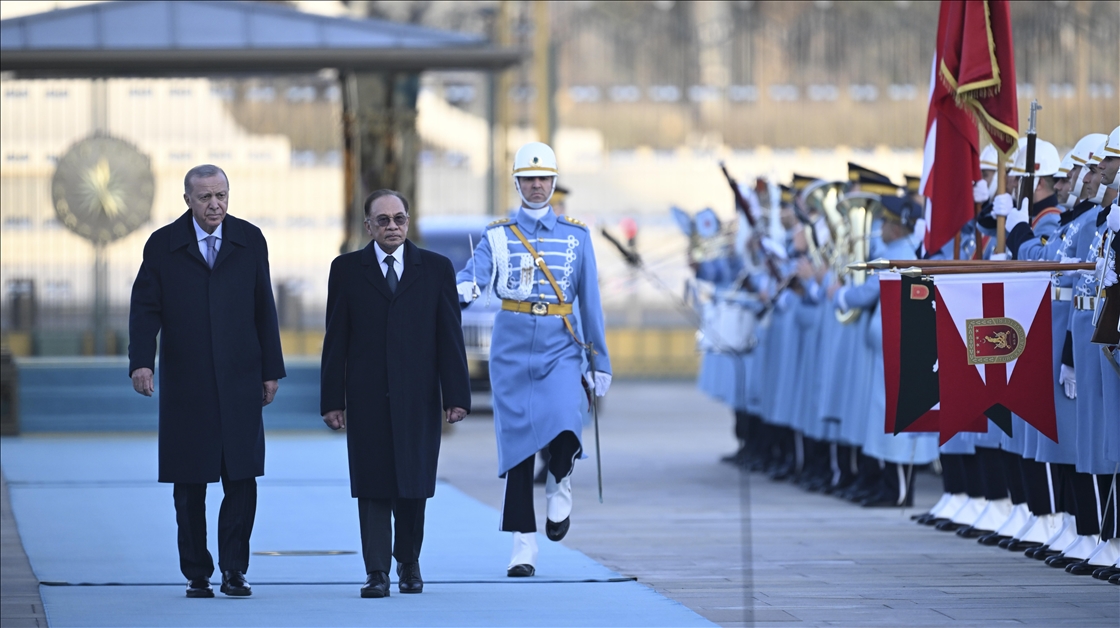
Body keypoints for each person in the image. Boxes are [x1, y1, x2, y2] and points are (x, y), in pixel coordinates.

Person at [128, 164, 285, 599]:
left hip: (240, 378)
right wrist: (142, 362)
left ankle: (235, 570)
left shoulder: (250, 239)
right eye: (205, 197)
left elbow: (263, 308)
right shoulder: (163, 245)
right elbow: (145, 308)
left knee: (242, 477)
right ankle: (197, 571)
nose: (215, 204)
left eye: (221, 195)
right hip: (187, 383)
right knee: (189, 481)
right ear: (187, 201)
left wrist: (270, 369)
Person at [457, 142, 611, 578]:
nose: (537, 185)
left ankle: (560, 478)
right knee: (519, 449)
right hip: (511, 349)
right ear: (518, 182)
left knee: (565, 419)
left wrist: (600, 361)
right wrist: (464, 287)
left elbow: (591, 303)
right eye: (529, 178)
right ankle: (523, 545)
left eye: (544, 178)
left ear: (554, 182)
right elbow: (476, 272)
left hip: (562, 345)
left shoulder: (577, 236)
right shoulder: (498, 234)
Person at [320, 189, 471, 599]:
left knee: (412, 483)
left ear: (409, 221)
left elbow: (449, 337)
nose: (392, 227)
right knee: (372, 485)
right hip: (367, 397)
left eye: (399, 219)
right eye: (382, 220)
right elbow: (336, 339)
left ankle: (408, 561)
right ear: (367, 225)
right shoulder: (347, 270)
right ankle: (376, 571)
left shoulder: (436, 269)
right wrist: (332, 400)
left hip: (418, 397)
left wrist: (456, 395)